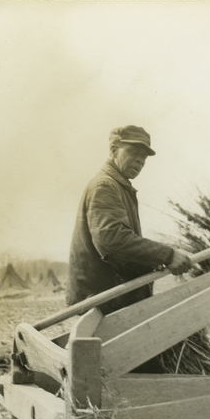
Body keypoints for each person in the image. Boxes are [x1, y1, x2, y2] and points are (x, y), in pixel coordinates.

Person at [66, 125, 193, 318]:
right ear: (113, 150)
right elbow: (111, 240)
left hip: (108, 299)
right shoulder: (106, 186)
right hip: (102, 302)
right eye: (133, 151)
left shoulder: (119, 186)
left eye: (144, 156)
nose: (140, 160)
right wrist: (167, 256)